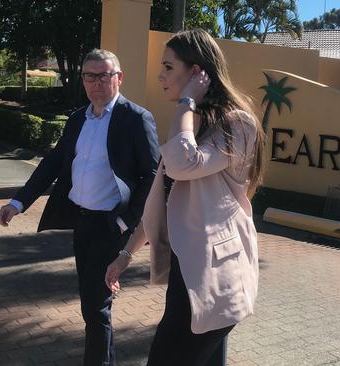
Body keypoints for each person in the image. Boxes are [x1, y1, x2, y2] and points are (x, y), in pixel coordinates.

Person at [105, 29, 265, 366]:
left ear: (196, 73)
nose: (160, 76)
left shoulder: (237, 124)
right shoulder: (192, 126)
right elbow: (162, 202)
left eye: (168, 67)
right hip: (189, 275)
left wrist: (187, 101)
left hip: (216, 279)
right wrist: (125, 254)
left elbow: (181, 164)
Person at [0, 49, 160, 366]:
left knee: (95, 307)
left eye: (104, 75)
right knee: (93, 304)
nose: (96, 82)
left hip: (110, 227)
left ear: (119, 78)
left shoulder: (136, 118)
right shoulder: (77, 118)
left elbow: (153, 175)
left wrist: (126, 222)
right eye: (90, 76)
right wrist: (19, 202)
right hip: (81, 223)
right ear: (82, 80)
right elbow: (54, 163)